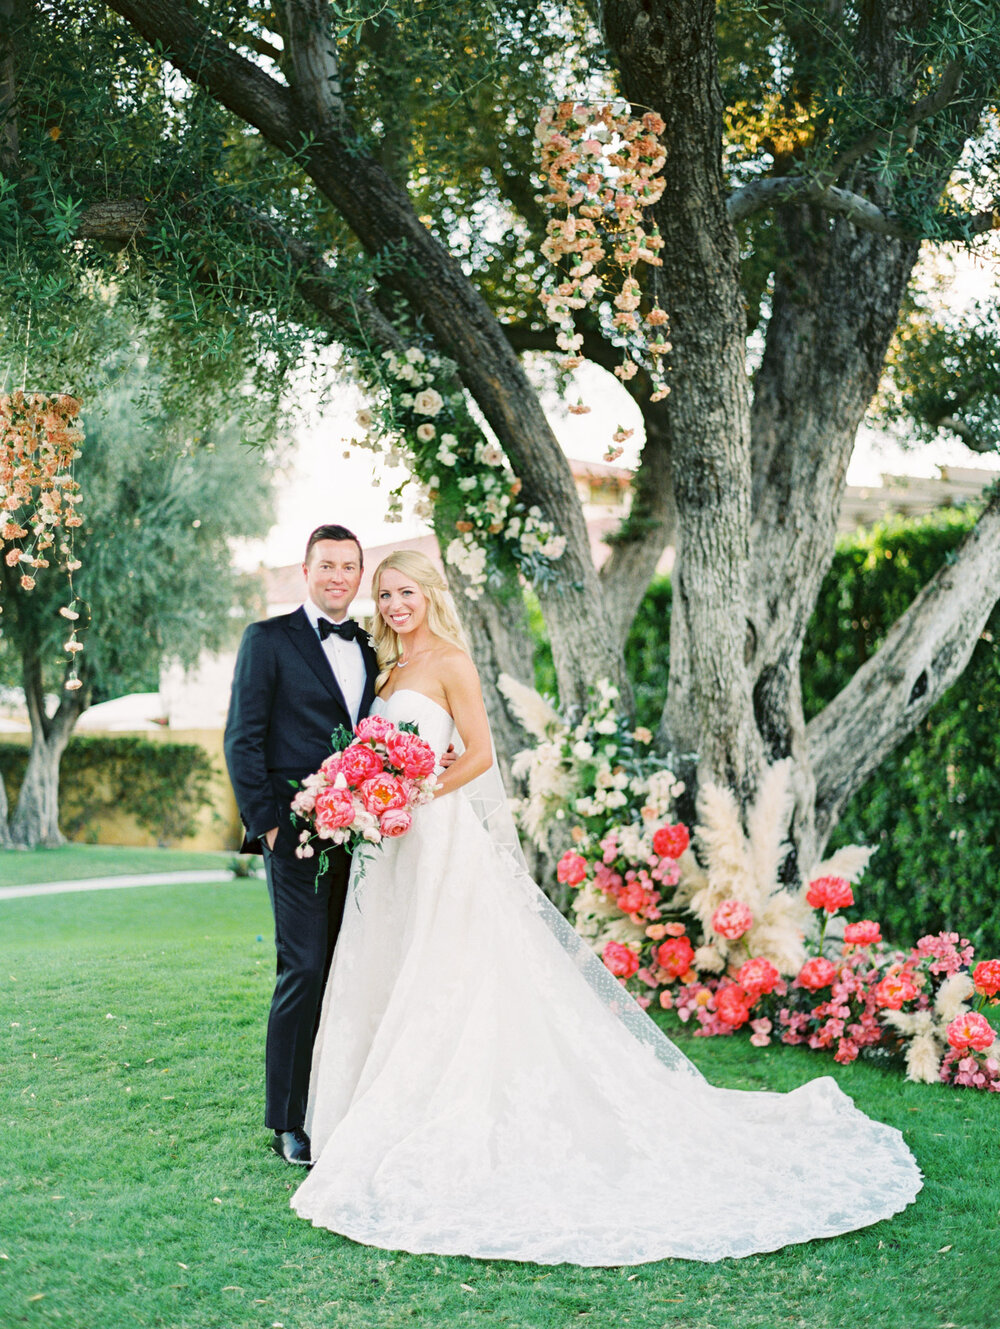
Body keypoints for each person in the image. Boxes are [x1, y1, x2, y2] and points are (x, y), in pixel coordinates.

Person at [289, 550, 922, 1265]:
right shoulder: (387, 668)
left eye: (406, 591)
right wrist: (368, 789)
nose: (397, 603)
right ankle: (363, 1109)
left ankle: (437, 1101)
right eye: (387, 594)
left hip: (435, 838)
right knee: (385, 963)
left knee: (449, 972)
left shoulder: (449, 661)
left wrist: (413, 788)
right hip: (391, 847)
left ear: (431, 594)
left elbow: (479, 756)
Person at [224, 523, 377, 1167]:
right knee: (304, 968)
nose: (339, 576)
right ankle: (288, 1120)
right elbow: (242, 738)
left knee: (352, 971)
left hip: (366, 838)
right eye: (328, 565)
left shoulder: (372, 646)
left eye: (350, 566)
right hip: (298, 836)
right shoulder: (268, 639)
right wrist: (271, 827)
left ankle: (339, 1099)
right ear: (306, 570)